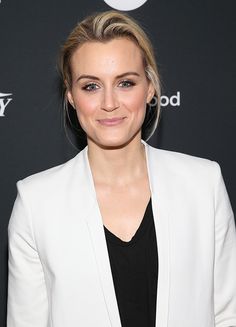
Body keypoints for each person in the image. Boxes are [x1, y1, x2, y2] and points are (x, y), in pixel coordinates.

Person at [7, 10, 236, 327]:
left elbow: (227, 313)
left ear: (150, 87)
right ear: (71, 95)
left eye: (126, 83)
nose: (110, 102)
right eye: (91, 86)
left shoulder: (203, 184)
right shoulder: (36, 203)